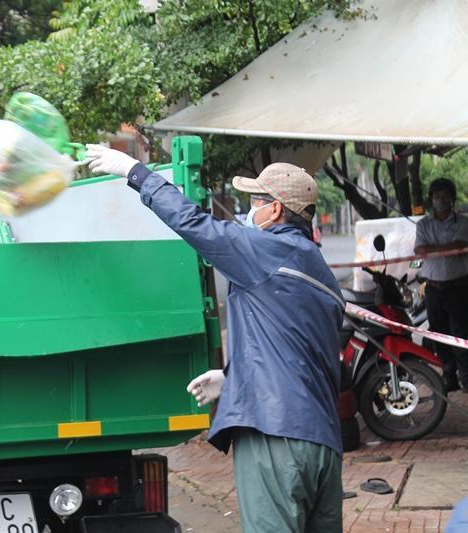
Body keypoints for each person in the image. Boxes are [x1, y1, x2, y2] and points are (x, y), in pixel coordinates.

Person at [85, 145, 345, 533]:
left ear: (274, 210)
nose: (248, 209)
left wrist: (134, 171)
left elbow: (194, 223)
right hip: (323, 444)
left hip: (275, 437)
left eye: (254, 200)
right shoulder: (322, 274)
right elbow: (297, 351)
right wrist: (233, 377)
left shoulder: (265, 249)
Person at [414, 177, 468, 392]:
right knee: (439, 333)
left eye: (445, 196)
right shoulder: (423, 225)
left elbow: (460, 244)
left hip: (459, 288)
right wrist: (441, 249)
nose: (440, 200)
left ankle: (466, 377)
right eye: (436, 196)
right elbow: (420, 251)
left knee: (462, 333)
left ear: (452, 198)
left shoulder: (463, 223)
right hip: (434, 289)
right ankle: (449, 376)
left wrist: (433, 249)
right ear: (431, 199)